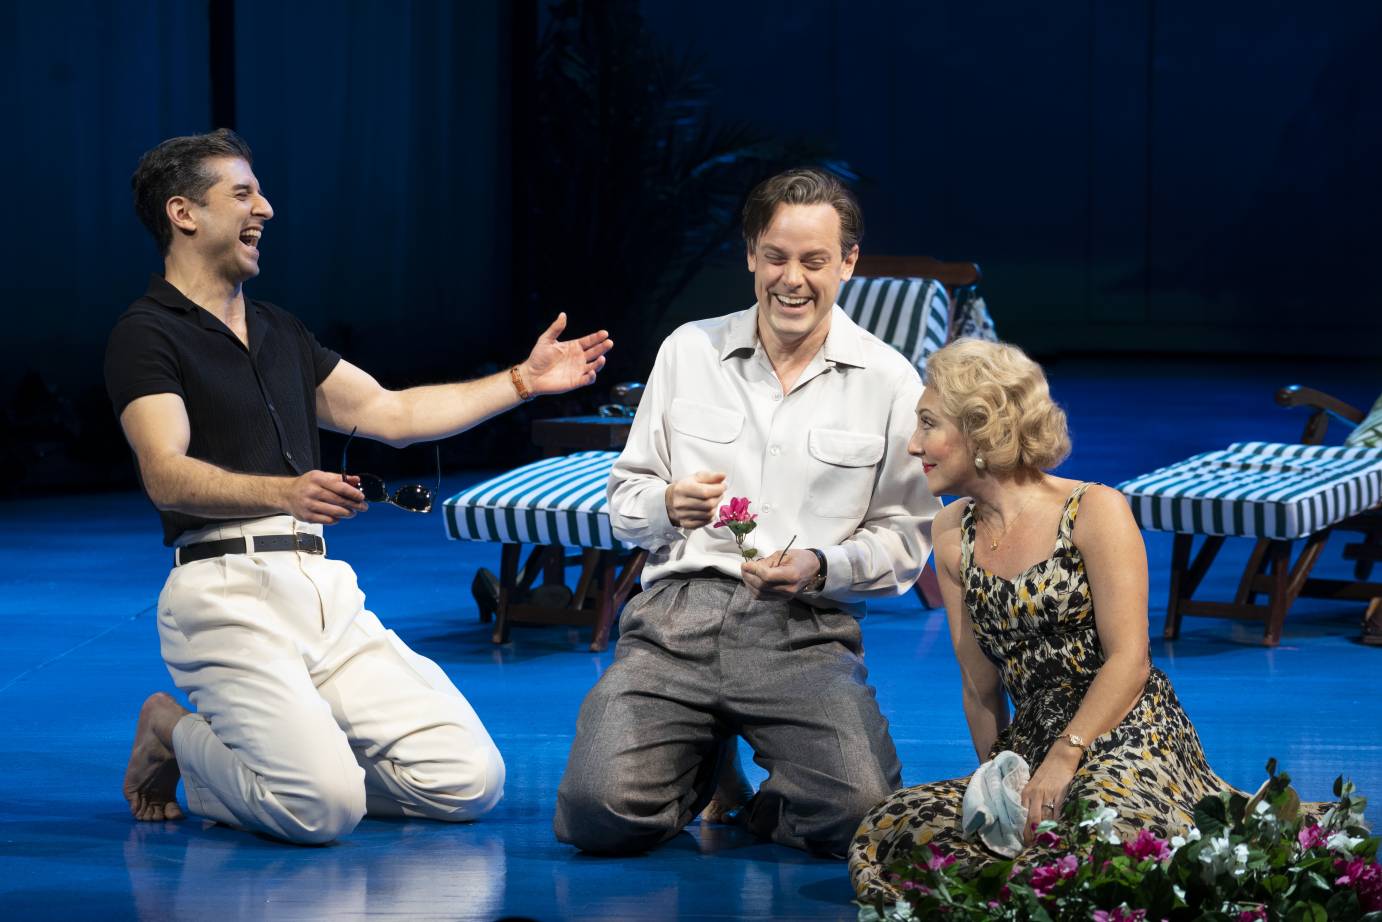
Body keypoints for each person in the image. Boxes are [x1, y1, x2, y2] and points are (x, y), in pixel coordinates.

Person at [107, 129, 612, 844]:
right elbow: (164, 472)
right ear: (184, 213)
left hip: (320, 591)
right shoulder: (146, 334)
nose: (268, 209)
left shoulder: (281, 331)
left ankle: (305, 766)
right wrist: (282, 493)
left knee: (469, 779)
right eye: (244, 194)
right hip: (222, 594)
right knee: (321, 811)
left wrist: (522, 381)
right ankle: (173, 732)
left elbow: (393, 413)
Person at [553, 168, 941, 857]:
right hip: (675, 619)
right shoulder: (689, 351)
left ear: (849, 262)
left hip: (803, 629)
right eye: (777, 256)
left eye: (814, 260)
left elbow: (905, 539)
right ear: (751, 254)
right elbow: (623, 504)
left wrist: (824, 565)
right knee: (597, 814)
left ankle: (760, 800)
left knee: (858, 818)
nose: (792, 279)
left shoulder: (888, 380)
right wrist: (668, 506)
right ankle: (702, 764)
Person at [848, 339, 1270, 899]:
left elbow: (1131, 659)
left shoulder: (1095, 510)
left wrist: (1065, 757)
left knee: (1097, 838)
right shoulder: (950, 533)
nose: (913, 444)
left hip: (1127, 731)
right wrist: (996, 783)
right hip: (1032, 739)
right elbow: (979, 684)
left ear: (981, 429)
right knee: (893, 826)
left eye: (928, 425)